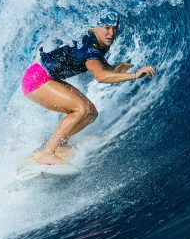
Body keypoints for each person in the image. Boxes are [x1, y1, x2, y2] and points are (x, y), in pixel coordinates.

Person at [20, 16, 155, 165]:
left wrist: (115, 69)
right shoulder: (90, 48)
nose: (111, 33)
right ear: (95, 28)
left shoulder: (96, 43)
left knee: (91, 113)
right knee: (81, 109)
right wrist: (134, 75)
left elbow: (100, 68)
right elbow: (100, 76)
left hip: (45, 77)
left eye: (114, 28)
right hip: (37, 78)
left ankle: (56, 144)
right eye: (107, 28)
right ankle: (47, 153)